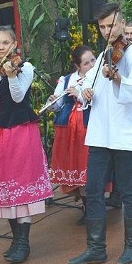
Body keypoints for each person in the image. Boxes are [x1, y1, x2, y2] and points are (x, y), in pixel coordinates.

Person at [68, 3, 132, 264]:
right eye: (102, 27)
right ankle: (95, 248)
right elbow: (86, 86)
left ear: (122, 24)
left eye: (110, 25)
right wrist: (85, 94)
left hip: (126, 135)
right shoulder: (104, 54)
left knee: (128, 192)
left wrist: (116, 78)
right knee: (92, 190)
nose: (106, 31)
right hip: (101, 134)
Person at [0, 26, 52, 264]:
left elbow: (19, 96)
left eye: (5, 43)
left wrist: (12, 75)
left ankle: (23, 241)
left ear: (14, 44)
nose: (1, 47)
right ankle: (15, 238)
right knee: (5, 186)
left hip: (21, 132)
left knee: (21, 183)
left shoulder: (26, 68)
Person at [48, 45, 96, 224]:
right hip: (69, 131)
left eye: (93, 60)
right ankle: (86, 207)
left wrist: (80, 95)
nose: (91, 65)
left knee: (88, 168)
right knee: (75, 169)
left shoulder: (99, 77)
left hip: (88, 127)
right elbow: (57, 106)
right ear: (77, 66)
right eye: (86, 63)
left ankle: (94, 208)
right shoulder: (68, 79)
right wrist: (53, 101)